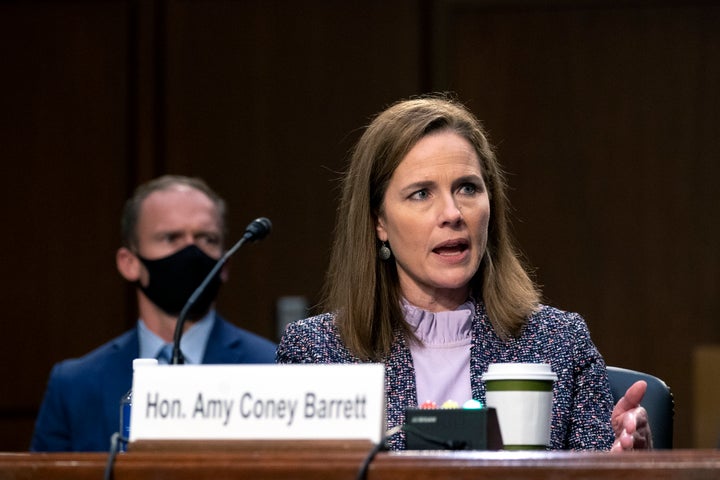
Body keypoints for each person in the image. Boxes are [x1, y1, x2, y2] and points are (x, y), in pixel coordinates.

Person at [276, 94, 652, 451]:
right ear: (379, 222)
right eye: (422, 193)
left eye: (467, 188)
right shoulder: (317, 354)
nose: (453, 214)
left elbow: (599, 468)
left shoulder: (560, 343)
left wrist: (622, 467)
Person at [31, 175, 277, 452]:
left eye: (207, 238)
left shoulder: (273, 368)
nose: (191, 250)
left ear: (225, 264)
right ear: (129, 263)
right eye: (171, 237)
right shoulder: (74, 385)